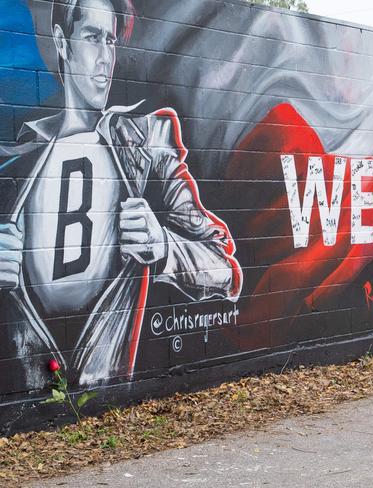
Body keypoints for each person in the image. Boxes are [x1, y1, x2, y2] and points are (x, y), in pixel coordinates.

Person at [0, 0, 242, 388]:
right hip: (27, 391)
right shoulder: (15, 159)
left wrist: (163, 245)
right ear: (63, 42)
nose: (105, 58)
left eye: (111, 41)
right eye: (92, 38)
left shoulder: (148, 146)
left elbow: (225, 270)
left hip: (110, 385)